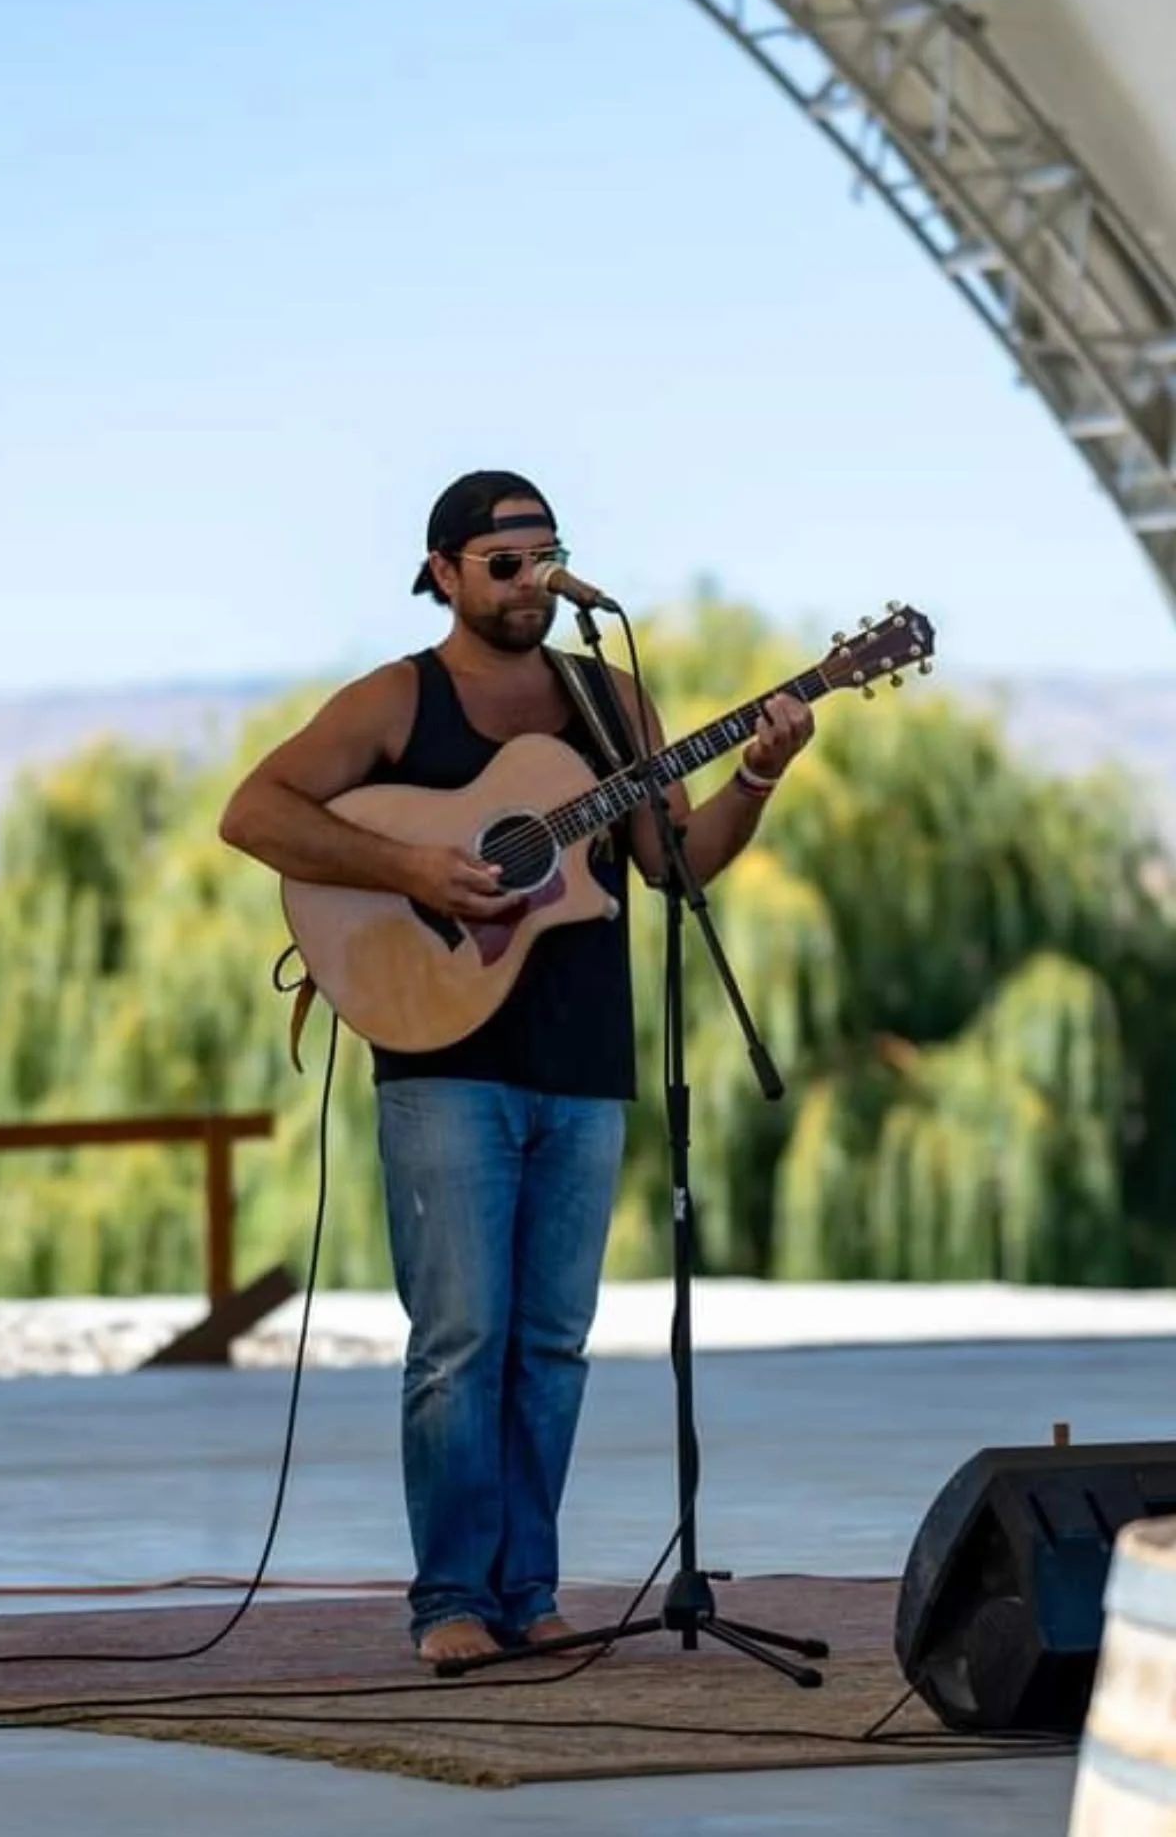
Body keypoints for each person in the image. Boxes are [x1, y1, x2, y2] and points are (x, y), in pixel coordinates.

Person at [218, 469, 814, 1665]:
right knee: (459, 1339)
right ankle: (449, 1604)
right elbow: (255, 813)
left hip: (585, 1060)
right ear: (444, 572)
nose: (531, 579)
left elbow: (675, 865)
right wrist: (416, 873)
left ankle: (529, 1592)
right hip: (442, 1056)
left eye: (547, 556)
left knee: (552, 1340)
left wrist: (755, 774)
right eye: (505, 562)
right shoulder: (400, 699)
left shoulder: (610, 701)